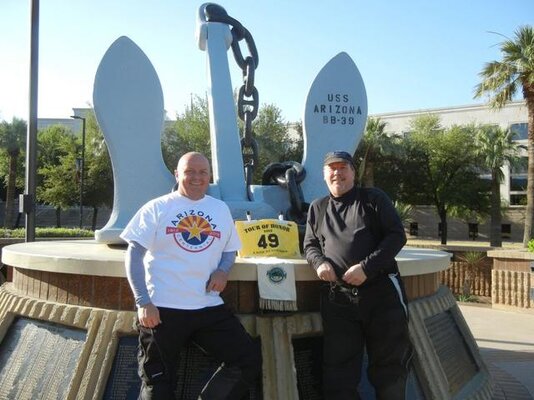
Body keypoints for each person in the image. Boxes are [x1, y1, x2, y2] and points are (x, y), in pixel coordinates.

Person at [121, 151, 261, 400]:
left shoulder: (219, 209)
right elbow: (133, 255)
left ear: (209, 176)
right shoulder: (157, 207)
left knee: (247, 361)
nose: (197, 177)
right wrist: (143, 301)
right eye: (189, 172)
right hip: (162, 310)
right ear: (177, 174)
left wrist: (222, 270)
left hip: (208, 308)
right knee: (157, 382)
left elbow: (230, 250)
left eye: (202, 172)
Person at [303, 150, 412, 400]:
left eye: (343, 167)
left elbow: (397, 235)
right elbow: (309, 245)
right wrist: (319, 263)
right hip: (338, 301)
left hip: (381, 295)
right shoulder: (317, 208)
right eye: (332, 168)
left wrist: (366, 268)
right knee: (338, 374)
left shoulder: (373, 199)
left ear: (353, 172)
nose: (337, 173)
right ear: (324, 174)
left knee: (390, 369)